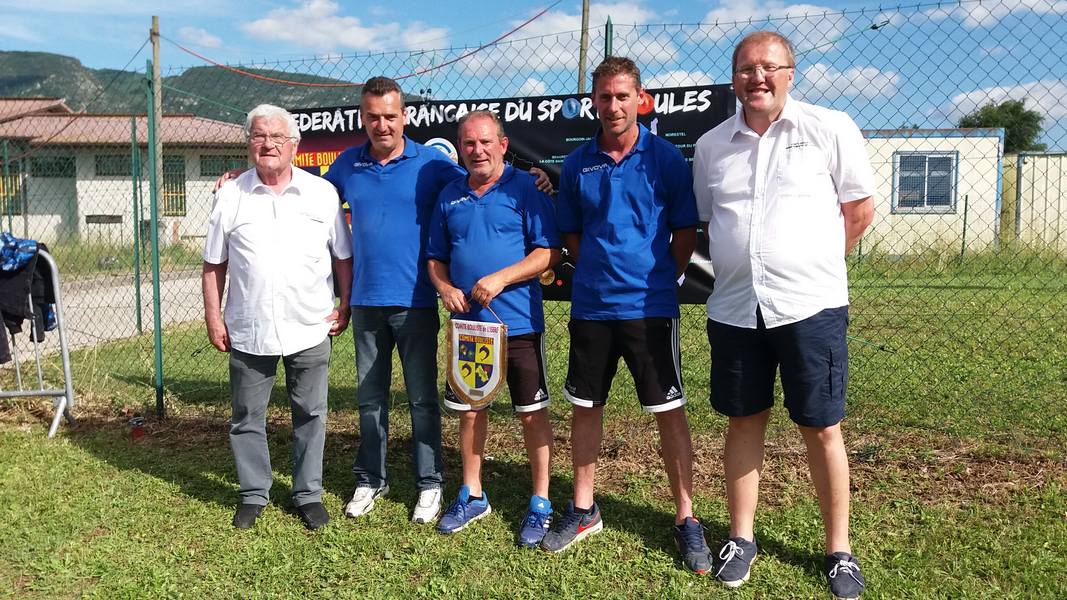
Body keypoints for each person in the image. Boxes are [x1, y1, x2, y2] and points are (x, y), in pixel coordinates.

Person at [322, 77, 555, 524]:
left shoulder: (432, 164)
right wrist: (245, 175)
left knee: (424, 400)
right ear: (362, 118)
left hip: (421, 304)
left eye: (390, 116)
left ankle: (433, 484)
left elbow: (488, 174)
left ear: (404, 116)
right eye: (373, 117)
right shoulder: (348, 164)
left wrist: (534, 175)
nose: (382, 125)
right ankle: (372, 479)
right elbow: (306, 194)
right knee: (373, 399)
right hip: (372, 301)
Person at [692, 31, 875, 599]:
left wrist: (812, 267)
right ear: (734, 79)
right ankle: (741, 538)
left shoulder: (830, 127)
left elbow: (859, 211)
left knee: (821, 426)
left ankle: (839, 551)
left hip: (810, 308)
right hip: (735, 310)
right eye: (747, 68)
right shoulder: (712, 146)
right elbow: (710, 223)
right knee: (743, 421)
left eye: (770, 67)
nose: (758, 77)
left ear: (791, 74)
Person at [540, 57, 711, 574]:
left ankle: (686, 517)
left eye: (622, 96)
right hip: (592, 306)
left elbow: (685, 231)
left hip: (650, 308)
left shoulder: (665, 158)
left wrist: (659, 279)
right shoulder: (578, 163)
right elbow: (572, 234)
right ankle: (584, 508)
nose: (613, 106)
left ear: (641, 99)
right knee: (585, 406)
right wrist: (598, 269)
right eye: (604, 97)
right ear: (592, 101)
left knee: (668, 411)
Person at [202, 104, 353, 531]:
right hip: (248, 328)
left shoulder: (321, 193)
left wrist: (346, 303)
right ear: (248, 143)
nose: (268, 144)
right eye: (259, 136)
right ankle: (253, 493)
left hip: (309, 325)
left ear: (294, 145)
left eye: (277, 137)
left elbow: (343, 256)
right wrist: (213, 317)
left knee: (311, 414)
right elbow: (213, 264)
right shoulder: (230, 194)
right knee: (247, 417)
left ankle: (308, 493)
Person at [425, 110, 562, 547]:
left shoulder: (527, 188)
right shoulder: (449, 195)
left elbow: (548, 252)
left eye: (486, 142)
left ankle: (541, 500)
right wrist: (445, 287)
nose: (477, 150)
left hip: (518, 324)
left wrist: (501, 278)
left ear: (503, 145)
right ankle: (472, 493)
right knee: (470, 411)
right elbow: (435, 258)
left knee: (532, 413)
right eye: (469, 143)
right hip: (470, 329)